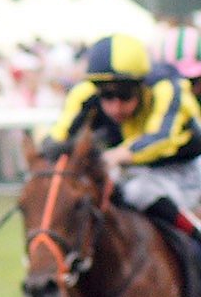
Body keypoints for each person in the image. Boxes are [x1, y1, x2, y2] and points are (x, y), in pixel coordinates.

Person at [45, 32, 201, 240]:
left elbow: (162, 138)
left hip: (185, 169)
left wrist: (115, 156)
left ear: (140, 85)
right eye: (107, 96)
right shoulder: (85, 92)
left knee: (138, 190)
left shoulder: (167, 88)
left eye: (125, 94)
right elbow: (56, 139)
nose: (116, 106)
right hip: (135, 170)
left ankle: (196, 235)